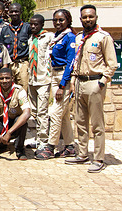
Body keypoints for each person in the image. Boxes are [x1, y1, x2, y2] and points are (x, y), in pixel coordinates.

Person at [67, 5, 117, 173]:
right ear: (80, 19)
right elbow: (76, 60)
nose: (87, 19)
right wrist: (73, 80)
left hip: (95, 83)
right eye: (85, 17)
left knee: (97, 124)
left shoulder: (103, 37)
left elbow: (112, 63)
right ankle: (81, 154)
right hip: (80, 82)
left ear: (96, 17)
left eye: (90, 16)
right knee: (80, 121)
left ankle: (99, 158)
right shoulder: (80, 37)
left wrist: (102, 81)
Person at [35, 9, 77, 160]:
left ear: (68, 20)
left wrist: (62, 85)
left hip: (62, 78)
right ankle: (70, 146)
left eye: (61, 20)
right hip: (54, 74)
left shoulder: (70, 37)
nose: (58, 23)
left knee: (55, 113)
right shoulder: (58, 37)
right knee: (64, 115)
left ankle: (50, 147)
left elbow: (70, 63)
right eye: (55, 20)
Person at [0, 68, 31, 160]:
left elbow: (27, 113)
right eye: (2, 78)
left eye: (7, 78)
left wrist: (9, 132)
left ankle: (20, 149)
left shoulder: (19, 91)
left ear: (12, 78)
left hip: (15, 121)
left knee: (23, 122)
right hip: (1, 121)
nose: (5, 81)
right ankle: (1, 143)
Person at [27, 14, 54, 154]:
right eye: (31, 24)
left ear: (42, 24)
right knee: (35, 111)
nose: (33, 26)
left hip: (43, 79)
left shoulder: (49, 37)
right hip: (32, 79)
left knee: (43, 111)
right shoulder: (31, 39)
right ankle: (37, 138)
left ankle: (44, 141)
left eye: (36, 24)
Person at [0, 3, 31, 91]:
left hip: (22, 63)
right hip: (9, 63)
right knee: (8, 89)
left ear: (21, 12)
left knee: (23, 89)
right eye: (11, 12)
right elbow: (1, 47)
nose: (14, 14)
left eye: (16, 11)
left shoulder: (27, 28)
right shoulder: (5, 30)